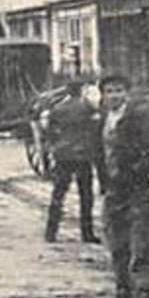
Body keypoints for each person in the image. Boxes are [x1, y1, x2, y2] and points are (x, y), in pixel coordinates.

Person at [92, 73, 149, 298]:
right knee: (117, 243)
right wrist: (104, 181)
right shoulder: (102, 120)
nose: (114, 95)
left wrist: (136, 171)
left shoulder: (139, 118)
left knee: (142, 243)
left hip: (135, 189)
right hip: (113, 190)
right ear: (102, 94)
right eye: (109, 91)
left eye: (119, 90)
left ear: (127, 93)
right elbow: (99, 153)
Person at [43, 80, 101, 243]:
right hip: (82, 155)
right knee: (86, 195)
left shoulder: (58, 108)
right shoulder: (88, 107)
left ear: (67, 91)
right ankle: (87, 232)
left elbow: (49, 131)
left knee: (59, 193)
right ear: (81, 90)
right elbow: (95, 129)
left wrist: (56, 147)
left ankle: (51, 231)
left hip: (63, 155)